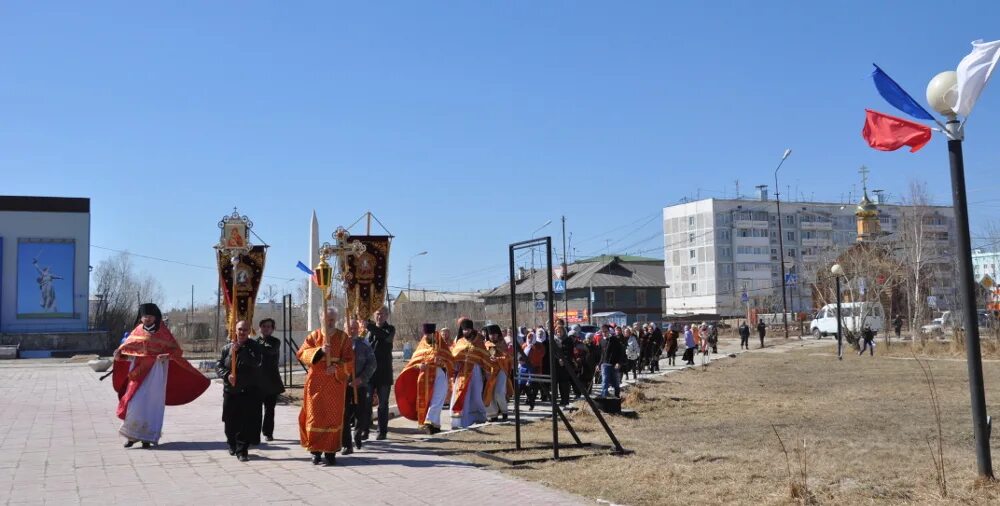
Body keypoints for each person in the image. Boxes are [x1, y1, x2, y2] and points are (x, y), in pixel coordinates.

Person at [112, 303, 210, 449]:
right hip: (138, 372)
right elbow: (127, 351)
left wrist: (166, 356)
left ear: (156, 317)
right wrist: (119, 354)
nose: (147, 319)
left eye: (150, 316)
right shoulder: (137, 330)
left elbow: (177, 351)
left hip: (156, 372)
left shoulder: (163, 332)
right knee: (135, 402)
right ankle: (131, 437)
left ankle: (147, 438)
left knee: (152, 404)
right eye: (144, 316)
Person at [296, 307, 354, 466]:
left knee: (332, 418)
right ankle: (315, 451)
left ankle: (330, 452)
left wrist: (337, 368)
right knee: (315, 417)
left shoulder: (343, 338)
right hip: (315, 383)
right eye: (327, 319)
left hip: (335, 385)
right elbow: (301, 354)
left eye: (333, 319)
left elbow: (350, 361)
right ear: (321, 318)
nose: (330, 322)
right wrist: (320, 351)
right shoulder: (314, 336)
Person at [394, 323, 454, 434]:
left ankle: (430, 423)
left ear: (433, 333)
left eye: (429, 335)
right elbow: (413, 362)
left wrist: (442, 363)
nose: (427, 337)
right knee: (427, 401)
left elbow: (450, 360)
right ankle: (433, 425)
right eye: (425, 335)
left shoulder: (441, 344)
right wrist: (419, 366)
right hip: (424, 377)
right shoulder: (421, 345)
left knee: (438, 399)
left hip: (439, 374)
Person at [217, 320, 264, 462]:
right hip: (230, 390)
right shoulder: (227, 348)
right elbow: (219, 365)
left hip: (248, 389)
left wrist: (241, 351)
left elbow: (256, 363)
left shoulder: (254, 346)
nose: (242, 332)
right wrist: (227, 375)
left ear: (249, 331)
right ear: (235, 330)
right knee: (229, 420)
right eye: (240, 329)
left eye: (245, 330)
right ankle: (231, 443)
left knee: (244, 421)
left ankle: (242, 450)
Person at [344, 319, 376, 454]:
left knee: (360, 413)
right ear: (345, 328)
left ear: (359, 329)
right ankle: (346, 444)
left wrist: (361, 379)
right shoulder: (341, 344)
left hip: (360, 384)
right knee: (344, 415)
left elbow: (372, 364)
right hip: (344, 385)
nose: (352, 330)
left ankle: (357, 435)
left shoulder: (364, 344)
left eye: (355, 328)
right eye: (350, 328)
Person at [450, 319, 490, 428]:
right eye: (463, 330)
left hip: (476, 370)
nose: (465, 332)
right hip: (463, 372)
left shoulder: (479, 341)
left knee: (477, 394)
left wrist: (487, 371)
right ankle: (462, 421)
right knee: (464, 395)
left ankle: (480, 416)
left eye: (467, 330)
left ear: (471, 329)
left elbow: (485, 357)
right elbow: (454, 356)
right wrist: (455, 365)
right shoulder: (460, 341)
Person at [366, 306, 395, 441]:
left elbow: (384, 337)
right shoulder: (368, 331)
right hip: (370, 373)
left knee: (383, 403)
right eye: (377, 314)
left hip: (384, 373)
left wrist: (369, 326)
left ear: (387, 315)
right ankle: (365, 427)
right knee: (366, 401)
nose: (380, 316)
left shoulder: (390, 329)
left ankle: (382, 431)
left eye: (382, 314)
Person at [256, 318, 284, 442]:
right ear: (260, 328)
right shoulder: (255, 342)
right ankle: (254, 434)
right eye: (264, 326)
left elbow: (269, 351)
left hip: (271, 381)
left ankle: (268, 432)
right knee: (256, 410)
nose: (266, 328)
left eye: (269, 326)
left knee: (270, 409)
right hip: (257, 381)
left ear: (272, 329)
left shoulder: (275, 342)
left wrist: (255, 345)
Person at [484, 325, 513, 421]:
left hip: (501, 369)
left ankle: (504, 411)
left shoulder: (503, 344)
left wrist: (498, 359)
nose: (493, 336)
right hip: (489, 371)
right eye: (491, 334)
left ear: (498, 334)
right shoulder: (486, 344)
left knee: (499, 392)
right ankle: (493, 415)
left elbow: (508, 357)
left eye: (495, 334)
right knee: (489, 393)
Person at [599, 325, 624, 397]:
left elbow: (621, 352)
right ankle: (604, 397)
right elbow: (602, 354)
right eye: (602, 332)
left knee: (616, 382)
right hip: (605, 364)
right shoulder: (602, 341)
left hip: (614, 364)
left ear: (609, 331)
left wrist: (619, 362)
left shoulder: (615, 340)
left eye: (605, 331)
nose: (604, 333)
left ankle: (617, 396)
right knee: (605, 381)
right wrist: (599, 364)